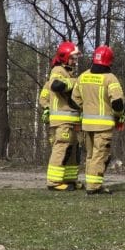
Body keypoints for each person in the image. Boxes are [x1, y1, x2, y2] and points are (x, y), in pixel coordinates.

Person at [71, 45, 125, 195]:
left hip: (87, 124)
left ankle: (91, 183)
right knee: (100, 155)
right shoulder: (110, 78)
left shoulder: (83, 76)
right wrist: (119, 113)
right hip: (104, 125)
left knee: (90, 156)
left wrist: (87, 108)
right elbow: (117, 103)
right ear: (109, 61)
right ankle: (94, 186)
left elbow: (75, 101)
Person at [39, 41, 83, 191]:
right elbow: (56, 86)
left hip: (72, 120)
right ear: (64, 57)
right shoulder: (58, 70)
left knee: (72, 151)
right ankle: (54, 182)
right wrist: (77, 83)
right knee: (61, 149)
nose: (75, 61)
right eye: (72, 58)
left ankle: (70, 179)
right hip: (62, 120)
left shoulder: (69, 73)